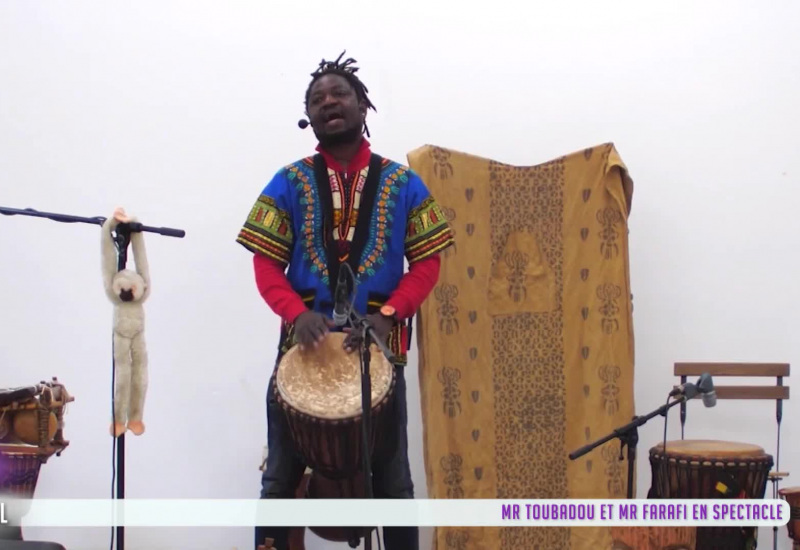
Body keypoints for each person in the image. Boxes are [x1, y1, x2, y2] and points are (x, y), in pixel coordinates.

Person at [236, 52, 455, 550]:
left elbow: (427, 264)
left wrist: (387, 316)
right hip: (301, 353)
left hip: (380, 353)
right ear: (307, 116)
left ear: (363, 106)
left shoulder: (403, 183)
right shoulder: (288, 181)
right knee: (279, 482)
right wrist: (296, 313)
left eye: (339, 94)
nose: (328, 102)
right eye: (317, 99)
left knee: (395, 485)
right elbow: (266, 264)